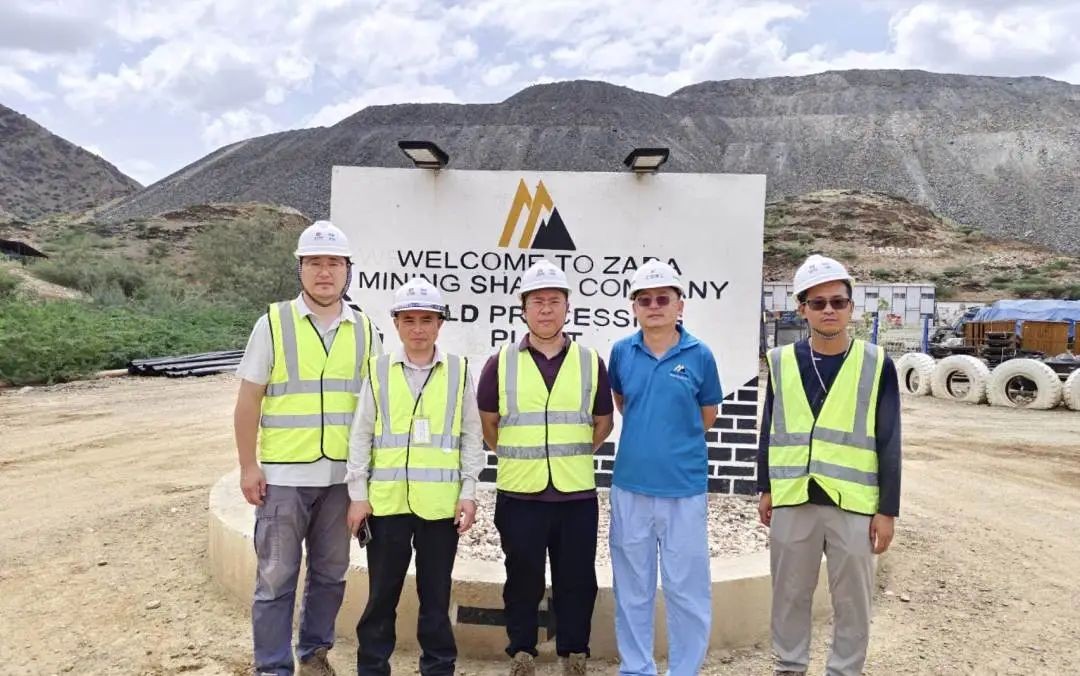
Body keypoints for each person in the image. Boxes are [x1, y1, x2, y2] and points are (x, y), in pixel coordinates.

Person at [233, 220, 381, 676]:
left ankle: (314, 654)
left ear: (348, 270)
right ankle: (272, 667)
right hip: (282, 480)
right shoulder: (273, 324)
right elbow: (248, 400)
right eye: (314, 262)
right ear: (300, 269)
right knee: (275, 578)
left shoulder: (366, 330)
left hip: (340, 481)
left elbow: (377, 409)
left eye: (334, 263)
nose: (324, 272)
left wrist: (365, 483)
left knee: (331, 574)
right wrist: (248, 466)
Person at [757, 254, 902, 676]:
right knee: (789, 594)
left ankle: (845, 670)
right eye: (818, 303)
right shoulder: (781, 361)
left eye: (838, 302)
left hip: (853, 502)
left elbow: (890, 440)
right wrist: (765, 487)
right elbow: (770, 428)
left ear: (851, 307)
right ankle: (789, 666)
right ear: (802, 309)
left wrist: (887, 510)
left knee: (853, 600)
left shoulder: (876, 363)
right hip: (793, 496)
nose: (829, 311)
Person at [477, 259, 615, 676]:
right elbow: (489, 425)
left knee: (578, 579)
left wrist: (567, 455)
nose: (546, 309)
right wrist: (523, 457)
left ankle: (575, 654)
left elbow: (603, 423)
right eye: (537, 301)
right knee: (522, 578)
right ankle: (522, 652)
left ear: (567, 307)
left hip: (575, 495)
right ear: (523, 309)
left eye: (554, 300)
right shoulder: (501, 362)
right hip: (520, 494)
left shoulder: (590, 361)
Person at [345, 278, 484, 676]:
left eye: (427, 320)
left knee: (436, 598)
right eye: (409, 320)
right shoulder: (378, 371)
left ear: (440, 324)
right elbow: (361, 434)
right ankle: (372, 668)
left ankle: (438, 668)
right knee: (381, 597)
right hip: (387, 504)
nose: (418, 329)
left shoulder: (457, 371)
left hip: (439, 506)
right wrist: (358, 495)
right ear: (396, 324)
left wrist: (468, 492)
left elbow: (471, 436)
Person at [606, 260, 723, 676]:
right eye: (645, 300)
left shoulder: (700, 355)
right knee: (632, 589)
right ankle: (637, 668)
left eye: (662, 298)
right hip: (630, 488)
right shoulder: (622, 352)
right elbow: (624, 403)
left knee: (687, 590)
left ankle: (684, 670)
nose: (653, 306)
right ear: (634, 307)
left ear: (679, 305)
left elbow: (706, 415)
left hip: (684, 490)